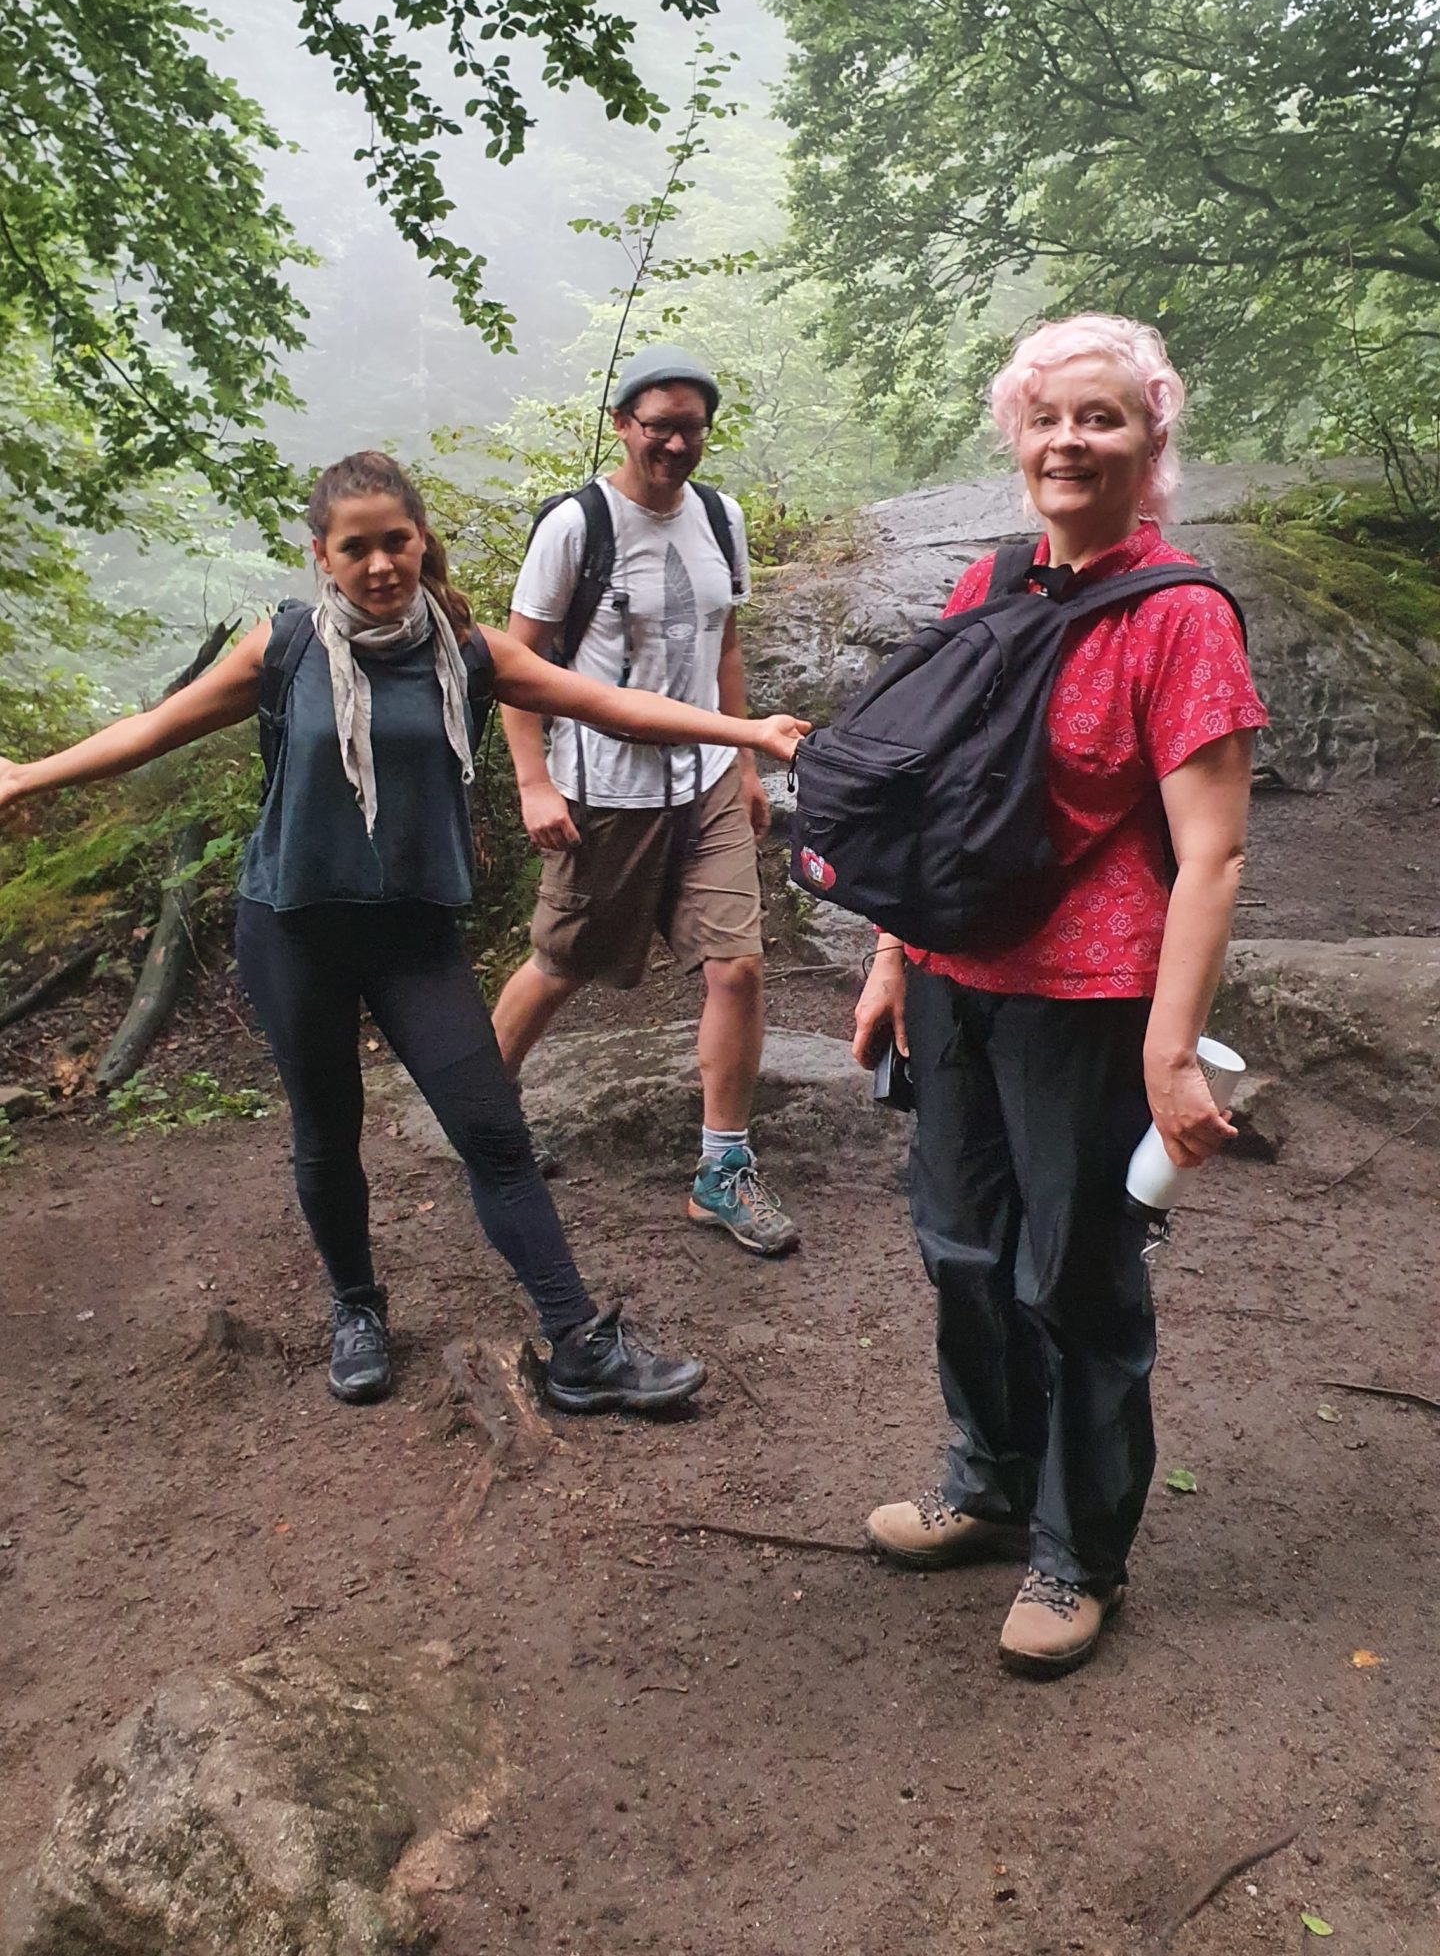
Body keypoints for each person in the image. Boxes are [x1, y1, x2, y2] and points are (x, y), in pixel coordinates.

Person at [0, 452, 809, 1415]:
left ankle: (578, 1345)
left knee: (492, 1131)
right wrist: (25, 777)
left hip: (414, 938)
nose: (380, 564)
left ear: (422, 540)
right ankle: (357, 1308)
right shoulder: (285, 648)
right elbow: (154, 730)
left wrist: (747, 733)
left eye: (396, 541)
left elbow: (612, 705)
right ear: (322, 555)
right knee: (326, 1129)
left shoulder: (466, 650)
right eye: (357, 549)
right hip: (293, 929)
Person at [852, 317, 1267, 1677]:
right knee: (961, 1246)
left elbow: (1212, 854)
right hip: (954, 975)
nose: (1068, 442)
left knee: (1076, 1273)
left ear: (1152, 442)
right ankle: (989, 1480)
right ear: (1017, 438)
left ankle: (1077, 1549)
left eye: (1101, 417)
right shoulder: (991, 584)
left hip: (1091, 997)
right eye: (1046, 419)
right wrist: (890, 956)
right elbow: (926, 789)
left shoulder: (1181, 616)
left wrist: (1171, 1051)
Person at [490, 348, 798, 1256]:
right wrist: (534, 781)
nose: (674, 443)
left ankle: (722, 1171)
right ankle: (484, 1117)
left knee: (738, 968)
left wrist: (745, 764)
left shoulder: (720, 517)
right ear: (623, 424)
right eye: (658, 425)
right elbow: (516, 666)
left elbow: (724, 644)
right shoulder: (576, 526)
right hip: (605, 792)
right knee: (562, 962)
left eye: (690, 428)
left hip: (707, 782)